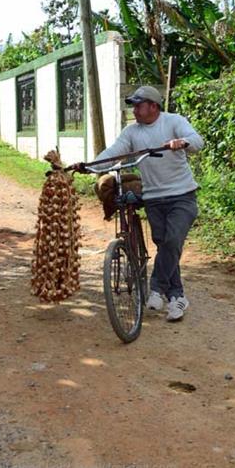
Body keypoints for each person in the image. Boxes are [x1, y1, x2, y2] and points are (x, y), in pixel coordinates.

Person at [93, 85, 204, 321]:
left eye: (138, 105)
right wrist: (89, 165)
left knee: (172, 241)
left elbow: (197, 141)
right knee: (165, 245)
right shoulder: (132, 132)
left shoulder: (173, 121)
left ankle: (155, 289)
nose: (134, 110)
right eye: (133, 106)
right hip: (154, 199)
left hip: (182, 196)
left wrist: (181, 142)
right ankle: (177, 298)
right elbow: (114, 152)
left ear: (153, 106)